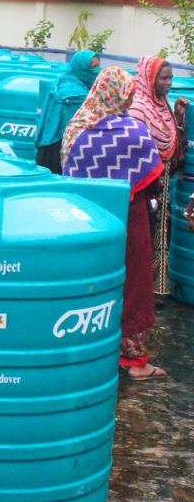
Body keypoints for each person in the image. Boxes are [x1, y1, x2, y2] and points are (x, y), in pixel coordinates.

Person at [63, 67, 165, 380]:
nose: (132, 99)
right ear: (120, 95)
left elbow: (67, 177)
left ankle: (86, 348)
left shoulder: (76, 129)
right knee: (134, 285)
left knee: (89, 282)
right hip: (130, 220)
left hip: (86, 223)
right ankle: (134, 361)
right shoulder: (134, 132)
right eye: (129, 94)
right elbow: (154, 181)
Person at [130, 55, 186, 298]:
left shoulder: (163, 106)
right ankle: (141, 292)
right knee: (143, 238)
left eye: (171, 78)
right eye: (163, 78)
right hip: (144, 185)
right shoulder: (138, 107)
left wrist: (179, 118)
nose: (169, 83)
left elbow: (172, 143)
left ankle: (157, 289)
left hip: (163, 185)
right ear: (149, 78)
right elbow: (135, 149)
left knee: (162, 235)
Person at [35, 50, 100, 173]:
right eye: (93, 67)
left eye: (98, 66)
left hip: (54, 145)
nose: (97, 71)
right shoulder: (74, 94)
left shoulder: (65, 81)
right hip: (58, 150)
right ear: (81, 68)